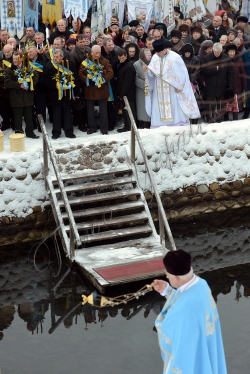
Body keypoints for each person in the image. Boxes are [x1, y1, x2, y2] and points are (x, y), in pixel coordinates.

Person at [152, 249, 227, 374]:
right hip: (204, 343)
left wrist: (159, 323)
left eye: (168, 276)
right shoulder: (201, 284)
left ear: (176, 278)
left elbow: (167, 330)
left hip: (188, 353)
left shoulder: (184, 308)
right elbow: (186, 295)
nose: (166, 277)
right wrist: (167, 290)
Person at [143, 39, 200, 128]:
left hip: (172, 89)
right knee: (159, 109)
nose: (157, 54)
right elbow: (152, 74)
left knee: (174, 108)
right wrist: (148, 71)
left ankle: (176, 125)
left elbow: (183, 73)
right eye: (156, 52)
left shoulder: (175, 57)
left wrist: (180, 86)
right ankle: (159, 126)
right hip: (159, 91)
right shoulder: (155, 57)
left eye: (159, 52)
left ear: (164, 50)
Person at [42, 49, 80, 139]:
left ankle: (69, 131)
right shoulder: (48, 66)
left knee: (67, 112)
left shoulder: (69, 64)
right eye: (54, 57)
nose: (55, 59)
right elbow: (44, 80)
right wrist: (55, 85)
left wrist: (77, 92)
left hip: (68, 92)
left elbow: (75, 78)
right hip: (55, 93)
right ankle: (56, 132)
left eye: (57, 57)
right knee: (56, 113)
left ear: (62, 57)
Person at [78, 45, 114, 135]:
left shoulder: (105, 61)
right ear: (91, 52)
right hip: (89, 90)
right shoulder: (86, 62)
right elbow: (80, 73)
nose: (97, 54)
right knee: (90, 111)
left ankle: (104, 128)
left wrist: (102, 79)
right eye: (95, 53)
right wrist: (87, 79)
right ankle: (91, 127)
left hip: (102, 90)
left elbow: (110, 73)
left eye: (99, 52)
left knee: (103, 111)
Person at [3, 52, 39, 138]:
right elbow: (7, 82)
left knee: (29, 117)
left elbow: (35, 76)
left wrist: (30, 85)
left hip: (27, 98)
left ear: (22, 59)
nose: (15, 61)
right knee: (17, 119)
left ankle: (30, 132)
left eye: (17, 59)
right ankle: (19, 134)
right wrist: (19, 85)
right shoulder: (9, 69)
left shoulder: (27, 67)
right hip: (16, 98)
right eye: (14, 59)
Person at [202, 42, 234, 123]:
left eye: (218, 52)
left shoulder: (226, 58)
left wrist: (230, 85)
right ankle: (209, 120)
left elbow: (230, 73)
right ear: (213, 50)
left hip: (222, 85)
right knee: (210, 105)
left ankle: (219, 120)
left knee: (221, 106)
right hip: (210, 85)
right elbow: (203, 70)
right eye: (215, 52)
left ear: (221, 51)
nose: (216, 54)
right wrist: (215, 69)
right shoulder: (207, 58)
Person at [115, 49, 136, 133]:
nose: (121, 60)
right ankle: (126, 125)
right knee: (125, 110)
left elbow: (127, 82)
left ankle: (131, 126)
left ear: (126, 56)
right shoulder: (121, 65)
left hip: (128, 93)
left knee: (129, 110)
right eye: (120, 58)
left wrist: (122, 95)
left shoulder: (129, 66)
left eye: (123, 58)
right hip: (123, 92)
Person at [134, 48, 152, 128]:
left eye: (150, 55)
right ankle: (143, 125)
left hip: (151, 90)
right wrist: (145, 84)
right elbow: (135, 78)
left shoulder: (151, 64)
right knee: (142, 109)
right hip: (141, 91)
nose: (150, 57)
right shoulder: (137, 64)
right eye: (148, 55)